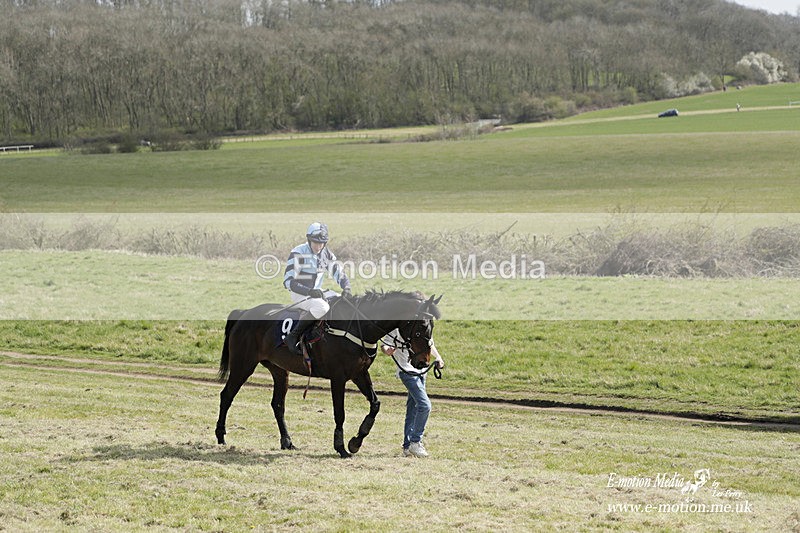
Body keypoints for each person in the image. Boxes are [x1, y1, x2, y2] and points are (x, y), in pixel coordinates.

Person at [283, 222, 351, 355]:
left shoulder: (327, 254)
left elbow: (339, 273)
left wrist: (347, 287)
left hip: (317, 292)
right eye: (316, 242)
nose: (319, 246)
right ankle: (292, 336)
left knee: (342, 302)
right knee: (322, 307)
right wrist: (308, 291)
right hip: (299, 293)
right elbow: (288, 282)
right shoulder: (298, 252)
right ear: (309, 240)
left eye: (322, 243)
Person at [381, 329, 444, 458]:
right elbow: (384, 344)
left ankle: (407, 446)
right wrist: (387, 350)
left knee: (413, 409)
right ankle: (415, 442)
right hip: (406, 371)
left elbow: (429, 343)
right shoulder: (397, 327)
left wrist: (438, 357)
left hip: (422, 371)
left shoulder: (423, 325)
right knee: (424, 406)